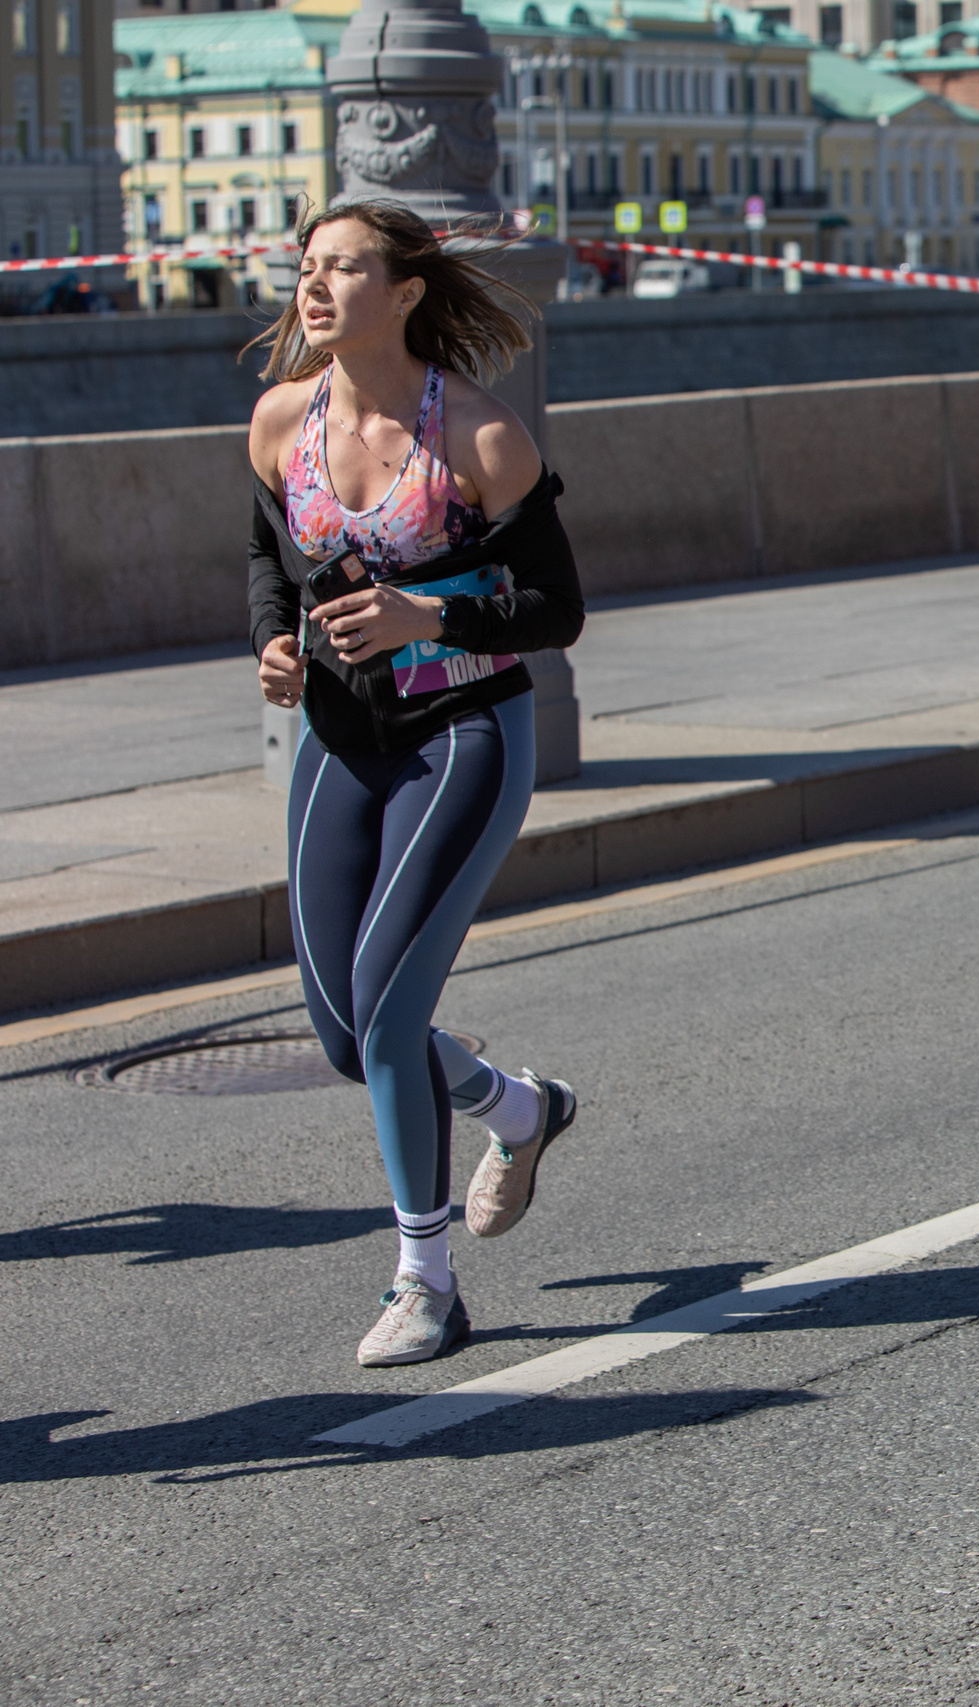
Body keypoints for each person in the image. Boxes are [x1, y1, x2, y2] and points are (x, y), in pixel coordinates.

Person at [247, 200, 586, 1367]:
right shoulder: (281, 424)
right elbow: (267, 553)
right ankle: (517, 1108)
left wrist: (421, 612)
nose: (316, 282)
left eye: (344, 266)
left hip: (465, 737)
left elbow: (558, 608)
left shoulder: (480, 438)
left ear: (402, 292)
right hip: (342, 742)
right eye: (307, 265)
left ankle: (425, 1281)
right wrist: (276, 642)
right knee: (345, 1036)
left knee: (390, 1018)